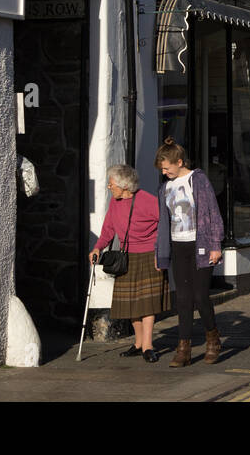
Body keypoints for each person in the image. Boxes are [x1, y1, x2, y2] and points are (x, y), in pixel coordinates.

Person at [155, 138, 225, 367]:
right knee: (183, 299)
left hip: (200, 244)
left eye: (167, 168)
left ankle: (213, 339)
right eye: (162, 169)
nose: (164, 172)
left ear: (179, 161)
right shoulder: (165, 187)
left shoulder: (198, 179)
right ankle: (183, 348)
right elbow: (163, 223)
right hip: (178, 246)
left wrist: (216, 244)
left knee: (200, 297)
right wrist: (161, 253)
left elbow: (212, 211)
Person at [89, 164, 168, 364]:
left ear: (125, 186)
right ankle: (139, 343)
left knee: (147, 304)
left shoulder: (148, 201)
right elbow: (108, 228)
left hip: (149, 255)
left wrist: (162, 253)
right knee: (131, 303)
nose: (109, 187)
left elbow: (166, 224)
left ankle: (149, 345)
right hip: (127, 257)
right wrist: (98, 247)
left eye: (111, 184)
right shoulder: (115, 203)